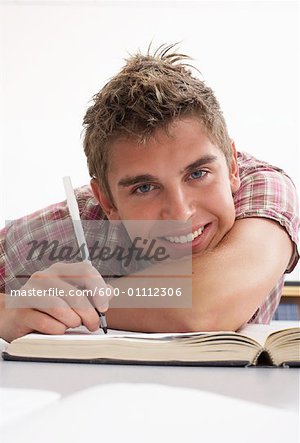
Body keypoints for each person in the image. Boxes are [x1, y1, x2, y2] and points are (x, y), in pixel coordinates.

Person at [0, 44, 298, 342]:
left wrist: (74, 301)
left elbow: (205, 306)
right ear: (107, 201)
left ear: (232, 166)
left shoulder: (264, 188)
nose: (180, 212)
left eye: (197, 174)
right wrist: (7, 312)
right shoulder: (75, 224)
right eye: (145, 188)